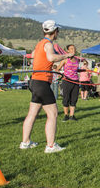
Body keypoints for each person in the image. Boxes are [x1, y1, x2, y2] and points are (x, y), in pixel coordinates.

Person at [22, 20, 74, 153]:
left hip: (35, 82)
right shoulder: (48, 44)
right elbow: (51, 58)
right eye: (58, 31)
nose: (58, 33)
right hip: (42, 82)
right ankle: (51, 146)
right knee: (53, 114)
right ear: (54, 31)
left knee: (32, 114)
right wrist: (66, 55)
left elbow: (34, 56)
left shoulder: (40, 44)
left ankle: (25, 142)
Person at [57, 45, 80, 121]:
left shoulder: (77, 60)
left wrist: (83, 70)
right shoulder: (65, 60)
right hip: (67, 81)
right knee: (66, 98)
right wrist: (61, 75)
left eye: (74, 48)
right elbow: (57, 69)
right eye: (71, 49)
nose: (73, 50)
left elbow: (76, 70)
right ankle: (66, 115)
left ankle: (72, 116)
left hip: (76, 81)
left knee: (74, 99)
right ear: (68, 51)